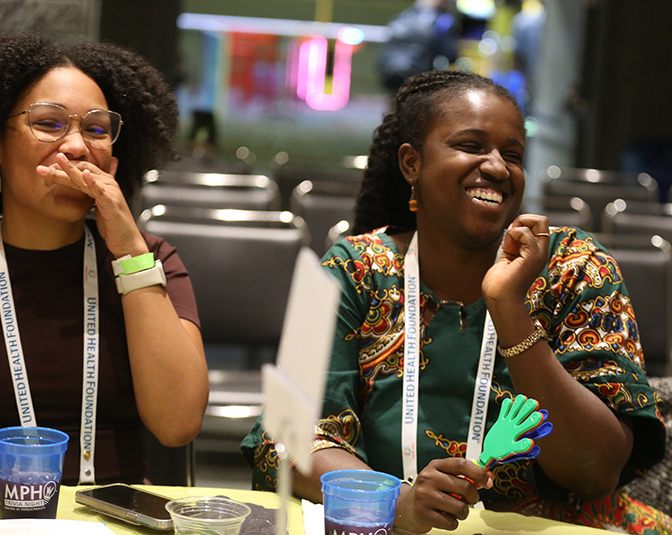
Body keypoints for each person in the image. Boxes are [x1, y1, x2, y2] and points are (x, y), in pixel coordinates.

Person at [242, 69, 671, 533]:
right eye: (471, 146)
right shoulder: (348, 266)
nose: (497, 167)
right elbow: (284, 439)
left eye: (513, 154)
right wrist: (398, 503)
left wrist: (509, 309)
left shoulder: (575, 266)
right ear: (412, 163)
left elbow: (596, 471)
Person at [0, 34, 209, 494]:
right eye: (49, 123)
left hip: (110, 512)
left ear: (114, 163)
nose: (77, 146)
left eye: (96, 130)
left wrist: (129, 254)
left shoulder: (151, 259)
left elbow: (177, 424)